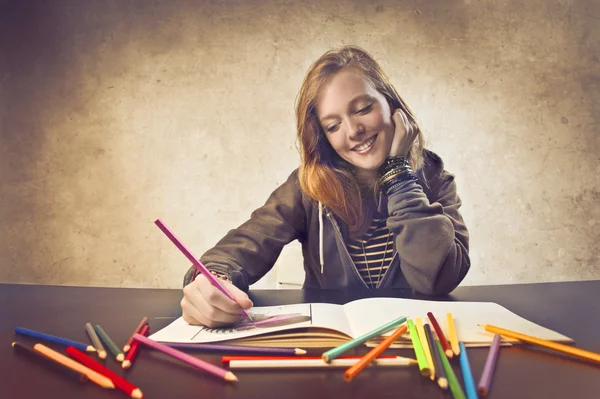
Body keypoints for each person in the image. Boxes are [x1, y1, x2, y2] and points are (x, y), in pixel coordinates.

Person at [180, 45, 470, 327]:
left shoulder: (435, 178)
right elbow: (246, 244)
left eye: (363, 108)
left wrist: (398, 175)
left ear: (393, 106)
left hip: (414, 341)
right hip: (333, 345)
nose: (353, 131)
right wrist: (213, 279)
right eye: (333, 126)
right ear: (323, 136)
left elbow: (438, 280)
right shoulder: (306, 186)